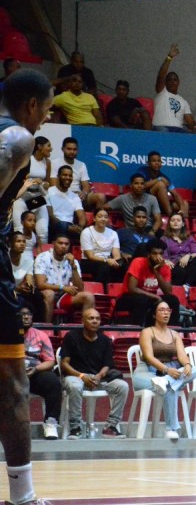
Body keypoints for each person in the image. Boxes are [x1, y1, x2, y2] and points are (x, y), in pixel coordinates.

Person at [0, 67, 53, 505]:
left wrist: (15, 197)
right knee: (13, 384)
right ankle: (23, 497)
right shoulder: (18, 137)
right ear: (32, 105)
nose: (46, 118)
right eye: (47, 110)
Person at [60, 308, 129, 439]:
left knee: (122, 386)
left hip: (98, 379)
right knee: (75, 386)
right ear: (83, 321)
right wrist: (81, 376)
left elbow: (107, 365)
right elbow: (64, 364)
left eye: (97, 318)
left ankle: (110, 427)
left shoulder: (105, 340)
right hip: (76, 376)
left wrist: (99, 376)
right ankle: (75, 427)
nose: (95, 321)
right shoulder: (71, 337)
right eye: (91, 318)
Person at [133, 299, 196, 440]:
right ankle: (171, 428)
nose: (166, 313)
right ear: (154, 314)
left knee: (194, 370)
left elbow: (182, 355)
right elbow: (148, 357)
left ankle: (166, 381)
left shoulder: (175, 334)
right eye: (162, 310)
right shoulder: (147, 332)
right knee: (170, 385)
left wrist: (187, 364)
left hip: (168, 373)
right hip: (147, 372)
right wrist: (167, 370)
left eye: (168, 310)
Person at [114, 239, 181, 326]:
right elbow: (132, 288)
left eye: (160, 254)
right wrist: (154, 296)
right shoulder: (138, 262)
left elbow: (168, 292)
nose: (158, 257)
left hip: (149, 299)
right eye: (154, 253)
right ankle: (136, 330)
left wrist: (157, 272)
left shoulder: (165, 267)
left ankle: (171, 330)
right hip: (127, 298)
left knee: (173, 300)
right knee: (141, 299)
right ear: (148, 254)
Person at [33, 234, 95, 324]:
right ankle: (47, 328)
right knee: (50, 294)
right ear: (53, 243)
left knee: (88, 296)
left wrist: (73, 266)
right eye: (60, 243)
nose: (63, 246)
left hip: (63, 295)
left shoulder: (73, 261)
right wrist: (62, 287)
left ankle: (86, 328)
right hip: (44, 293)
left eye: (66, 244)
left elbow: (80, 288)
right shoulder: (43, 258)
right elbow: (40, 284)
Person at [22, 306, 61, 440]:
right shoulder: (6, 335)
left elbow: (50, 361)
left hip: (34, 374)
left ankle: (51, 422)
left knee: (53, 382)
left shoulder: (41, 335)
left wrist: (36, 369)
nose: (26, 317)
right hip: (12, 375)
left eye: (28, 314)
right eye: (22, 314)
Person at [12, 135, 51, 244]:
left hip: (37, 197)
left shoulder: (47, 162)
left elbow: (48, 181)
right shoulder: (27, 159)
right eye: (48, 146)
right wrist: (30, 180)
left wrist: (45, 184)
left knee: (43, 231)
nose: (51, 149)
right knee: (19, 228)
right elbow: (15, 177)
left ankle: (42, 253)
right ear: (39, 146)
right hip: (23, 196)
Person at [49, 137, 104, 212]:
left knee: (100, 197)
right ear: (62, 149)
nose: (72, 152)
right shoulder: (54, 163)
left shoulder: (81, 165)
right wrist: (70, 194)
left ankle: (99, 217)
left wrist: (84, 193)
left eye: (74, 149)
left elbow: (86, 186)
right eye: (69, 149)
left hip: (78, 197)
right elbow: (54, 185)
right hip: (61, 194)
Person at [153, 44, 196, 133]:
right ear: (165, 82)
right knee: (165, 132)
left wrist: (195, 127)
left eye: (175, 80)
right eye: (169, 80)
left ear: (178, 82)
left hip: (178, 130)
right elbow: (161, 75)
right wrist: (169, 57)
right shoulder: (162, 92)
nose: (172, 82)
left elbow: (190, 121)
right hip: (161, 128)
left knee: (191, 134)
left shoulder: (183, 101)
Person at [79, 207, 126, 286]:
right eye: (100, 216)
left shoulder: (113, 233)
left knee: (124, 267)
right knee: (104, 267)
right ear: (94, 218)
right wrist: (107, 260)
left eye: (105, 217)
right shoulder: (86, 232)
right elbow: (90, 256)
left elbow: (116, 255)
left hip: (108, 260)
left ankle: (117, 290)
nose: (103, 219)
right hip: (89, 261)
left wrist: (116, 263)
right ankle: (99, 288)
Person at [136, 151, 188, 218]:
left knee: (185, 204)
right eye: (154, 161)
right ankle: (170, 215)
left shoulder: (164, 177)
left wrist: (182, 207)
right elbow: (142, 186)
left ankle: (185, 223)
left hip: (159, 204)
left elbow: (174, 193)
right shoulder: (142, 171)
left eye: (159, 161)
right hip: (144, 202)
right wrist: (159, 179)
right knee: (160, 185)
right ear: (148, 163)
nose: (157, 163)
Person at [162, 212, 196, 287]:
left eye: (178, 220)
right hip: (174, 266)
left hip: (188, 264)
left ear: (183, 224)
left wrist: (188, 256)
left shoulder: (189, 238)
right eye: (172, 220)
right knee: (180, 271)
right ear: (169, 224)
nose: (175, 222)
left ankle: (187, 285)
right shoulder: (164, 239)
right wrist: (166, 261)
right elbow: (165, 257)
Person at [46, 165, 86, 241]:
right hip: (54, 226)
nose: (68, 178)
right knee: (61, 225)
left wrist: (80, 227)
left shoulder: (75, 196)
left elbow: (82, 216)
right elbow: (51, 216)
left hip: (71, 227)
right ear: (58, 176)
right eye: (65, 175)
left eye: (70, 176)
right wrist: (68, 228)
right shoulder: (49, 192)